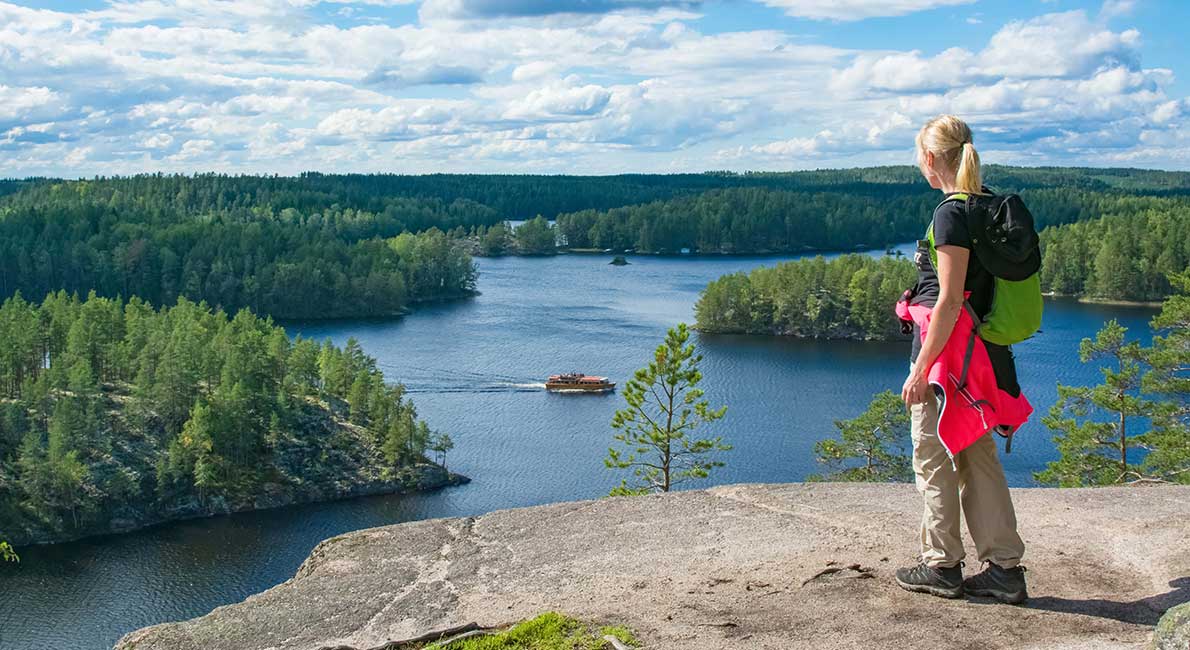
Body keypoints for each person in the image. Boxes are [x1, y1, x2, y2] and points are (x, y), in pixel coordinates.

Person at [894, 114, 1028, 604]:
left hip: (947, 359)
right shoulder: (990, 204)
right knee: (978, 457)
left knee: (932, 458)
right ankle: (1004, 571)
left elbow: (949, 300)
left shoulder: (951, 212)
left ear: (930, 159)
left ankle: (942, 566)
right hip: (982, 358)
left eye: (919, 158)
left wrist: (920, 370)